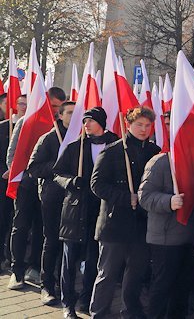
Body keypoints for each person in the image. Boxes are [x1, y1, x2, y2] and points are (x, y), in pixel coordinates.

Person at [90, 106, 160, 318]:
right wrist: (124, 197)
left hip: (141, 223)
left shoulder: (154, 152)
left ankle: (130, 310)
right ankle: (98, 312)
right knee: (108, 272)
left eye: (147, 125)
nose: (143, 129)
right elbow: (96, 184)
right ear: (129, 124)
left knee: (136, 272)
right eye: (139, 124)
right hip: (114, 223)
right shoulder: (112, 150)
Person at [53, 107, 118, 318]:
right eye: (84, 121)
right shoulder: (75, 147)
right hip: (75, 210)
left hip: (101, 212)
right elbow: (57, 173)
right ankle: (67, 303)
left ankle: (85, 299)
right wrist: (71, 181)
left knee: (93, 260)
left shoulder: (116, 145)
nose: (86, 124)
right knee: (69, 260)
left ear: (101, 122)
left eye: (90, 120)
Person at [7, 87, 65, 289]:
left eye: (59, 107)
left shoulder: (60, 128)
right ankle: (17, 270)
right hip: (26, 184)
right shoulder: (26, 121)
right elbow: (12, 155)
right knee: (21, 226)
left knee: (43, 228)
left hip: (49, 188)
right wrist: (21, 177)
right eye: (53, 106)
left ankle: (35, 268)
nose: (55, 110)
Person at [138, 151, 194, 318]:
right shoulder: (159, 162)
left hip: (189, 236)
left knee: (182, 288)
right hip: (165, 239)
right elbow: (145, 196)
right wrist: (168, 201)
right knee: (162, 287)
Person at [27, 100, 73, 305]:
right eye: (69, 113)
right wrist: (58, 165)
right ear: (60, 116)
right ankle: (47, 286)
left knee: (71, 245)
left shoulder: (82, 138)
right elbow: (34, 168)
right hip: (52, 197)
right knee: (52, 240)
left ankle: (68, 287)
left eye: (77, 113)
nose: (73, 117)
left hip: (75, 199)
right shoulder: (48, 138)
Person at [0, 93, 25, 273]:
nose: (23, 107)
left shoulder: (32, 126)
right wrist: (6, 171)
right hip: (3, 181)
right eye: (20, 103)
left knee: (17, 223)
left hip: (23, 183)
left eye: (26, 103)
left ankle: (12, 257)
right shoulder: (3, 127)